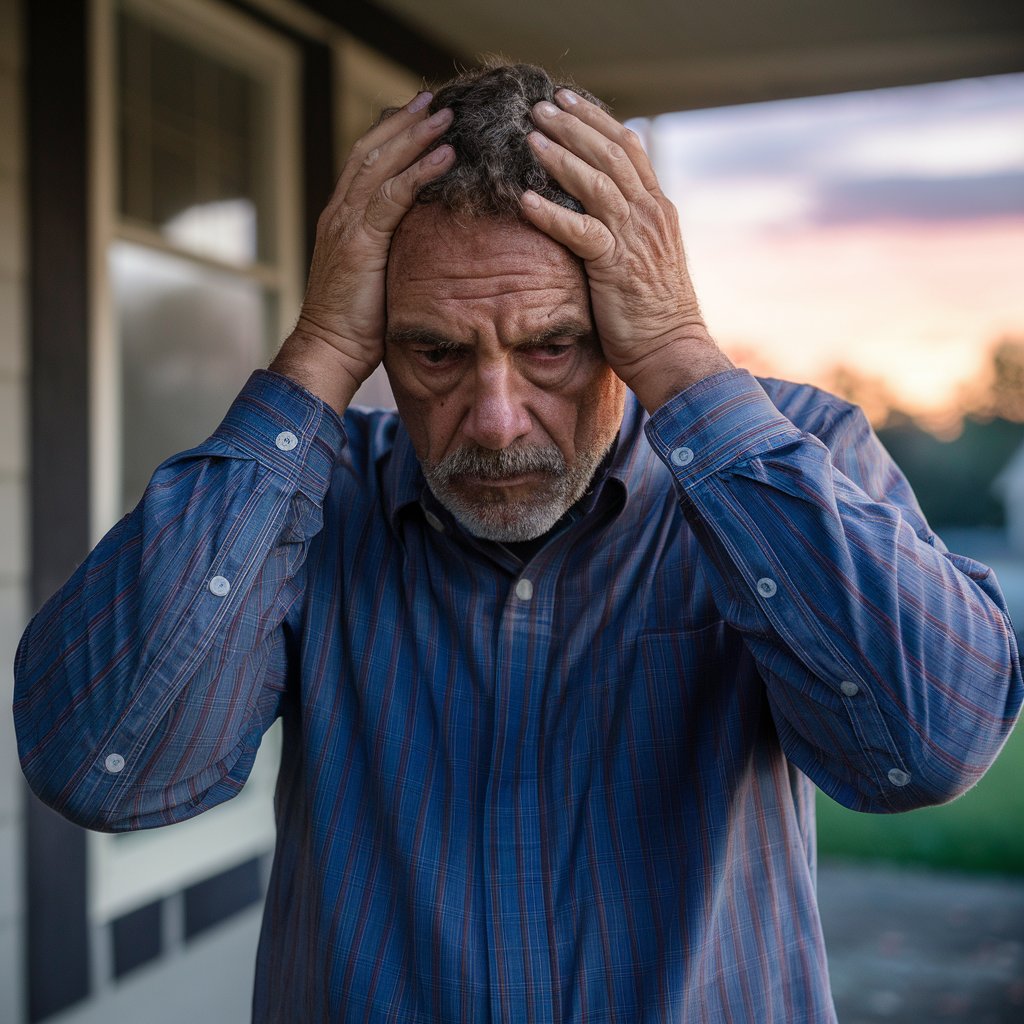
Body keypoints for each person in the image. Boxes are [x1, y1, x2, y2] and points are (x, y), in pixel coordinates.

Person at [14, 61, 1023, 1022]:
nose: (494, 419)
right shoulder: (317, 501)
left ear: (624, 319)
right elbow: (104, 763)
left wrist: (679, 355)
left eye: (552, 345)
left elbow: (927, 747)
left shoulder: (794, 456)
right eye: (435, 351)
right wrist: (316, 352)